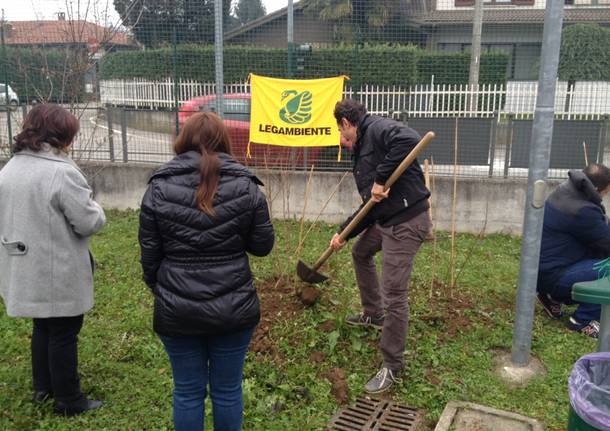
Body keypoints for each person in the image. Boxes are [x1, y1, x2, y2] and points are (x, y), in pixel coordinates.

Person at [138, 112, 274, 431]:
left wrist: (163, 289)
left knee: (187, 391)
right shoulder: (246, 185)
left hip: (177, 309)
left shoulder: (158, 187)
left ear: (183, 140)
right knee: (227, 391)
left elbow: (150, 255)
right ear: (224, 141)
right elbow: (262, 245)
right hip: (234, 307)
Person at [0, 104, 106, 415]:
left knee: (43, 328)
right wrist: (97, 209)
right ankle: (69, 399)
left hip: (22, 263)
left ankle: (42, 388)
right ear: (60, 136)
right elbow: (89, 222)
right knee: (64, 331)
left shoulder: (11, 168)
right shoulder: (61, 172)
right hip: (55, 268)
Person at [330, 99, 431, 394]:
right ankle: (373, 313)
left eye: (340, 129)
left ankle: (393, 365)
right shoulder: (361, 149)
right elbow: (370, 207)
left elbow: (410, 139)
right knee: (360, 252)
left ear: (347, 123)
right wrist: (343, 233)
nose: (340, 137)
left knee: (395, 294)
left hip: (407, 221)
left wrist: (380, 177)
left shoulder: (378, 128)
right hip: (385, 219)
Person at [537, 164, 610, 338]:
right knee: (607, 267)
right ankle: (583, 321)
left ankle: (551, 297)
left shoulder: (566, 191)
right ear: (598, 189)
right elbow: (606, 244)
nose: (607, 195)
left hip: (544, 271)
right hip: (556, 275)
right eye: (607, 191)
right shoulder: (582, 211)